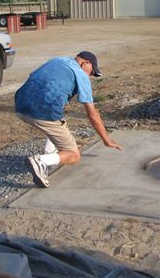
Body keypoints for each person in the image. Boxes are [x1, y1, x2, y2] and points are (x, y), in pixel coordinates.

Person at [15, 51, 122, 187]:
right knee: (74, 155)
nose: (91, 77)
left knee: (58, 120)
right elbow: (92, 115)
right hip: (42, 113)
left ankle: (50, 152)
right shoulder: (81, 74)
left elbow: (33, 77)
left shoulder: (57, 60)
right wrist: (106, 140)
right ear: (85, 63)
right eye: (92, 72)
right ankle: (40, 161)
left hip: (20, 106)